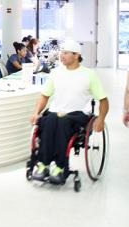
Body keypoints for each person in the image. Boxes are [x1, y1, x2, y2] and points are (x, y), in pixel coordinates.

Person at [29, 40, 109, 184]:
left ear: (76, 55)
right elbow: (44, 96)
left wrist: (101, 119)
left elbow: (103, 100)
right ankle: (43, 164)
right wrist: (36, 112)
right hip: (55, 112)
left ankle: (59, 167)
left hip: (78, 114)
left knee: (62, 121)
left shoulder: (89, 75)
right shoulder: (56, 73)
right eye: (61, 52)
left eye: (66, 53)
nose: (61, 56)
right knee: (49, 120)